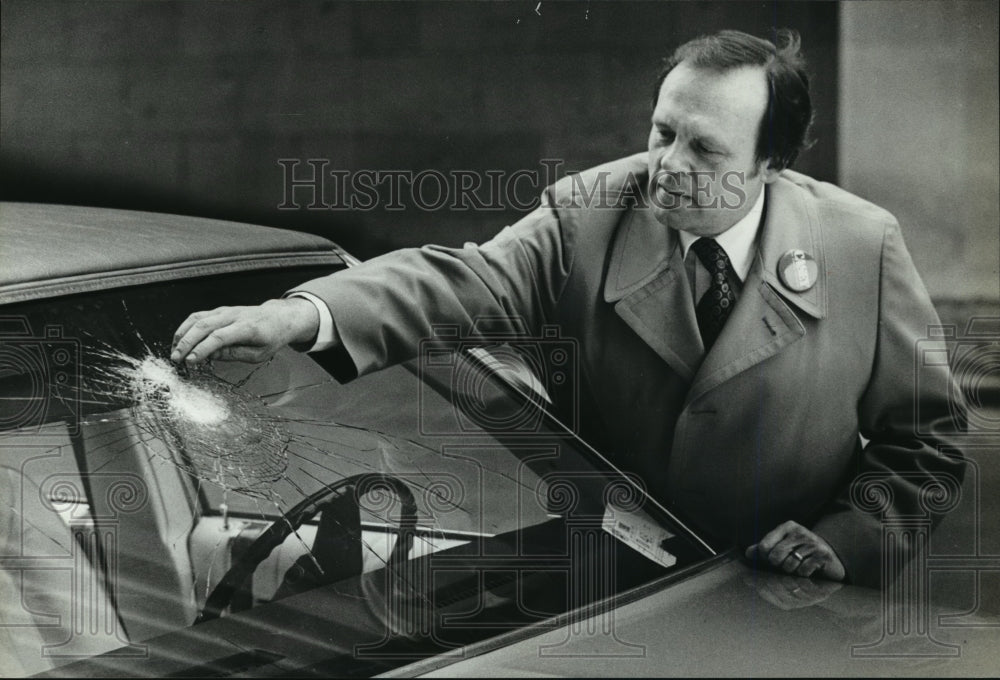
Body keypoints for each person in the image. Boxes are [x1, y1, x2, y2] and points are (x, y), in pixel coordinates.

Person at [171, 30, 964, 587]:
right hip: (620, 588)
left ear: (773, 162)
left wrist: (845, 544)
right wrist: (300, 315)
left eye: (706, 149)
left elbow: (925, 441)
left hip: (795, 604)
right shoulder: (590, 211)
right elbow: (462, 280)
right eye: (662, 131)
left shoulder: (861, 245)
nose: (666, 165)